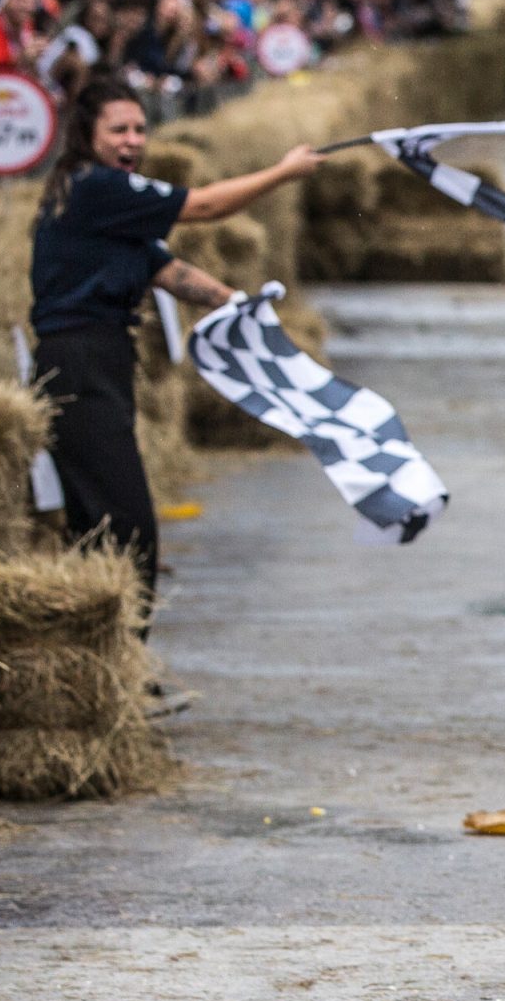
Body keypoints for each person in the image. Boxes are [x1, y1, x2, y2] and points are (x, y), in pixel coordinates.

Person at [28, 80, 321, 626]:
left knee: (110, 519)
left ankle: (114, 647)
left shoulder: (109, 200)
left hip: (102, 360)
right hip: (78, 362)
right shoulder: (98, 188)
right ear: (87, 134)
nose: (132, 140)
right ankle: (119, 646)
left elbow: (164, 269)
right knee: (124, 524)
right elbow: (205, 206)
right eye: (118, 130)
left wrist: (235, 303)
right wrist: (283, 172)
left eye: (140, 129)